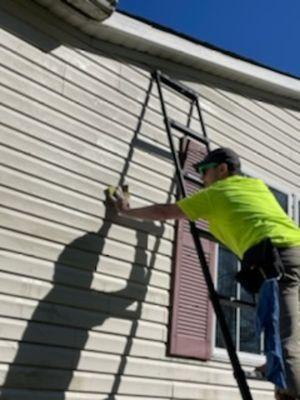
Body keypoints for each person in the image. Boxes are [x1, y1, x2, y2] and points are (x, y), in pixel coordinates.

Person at [110, 147, 300, 400]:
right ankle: (280, 368)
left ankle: (290, 386)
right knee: (289, 328)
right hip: (293, 250)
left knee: (284, 335)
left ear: (222, 169)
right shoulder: (256, 187)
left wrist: (126, 210)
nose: (201, 177)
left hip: (278, 259)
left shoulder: (215, 194)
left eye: (204, 171)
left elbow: (165, 212)